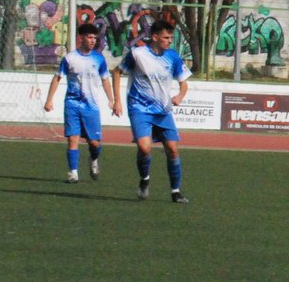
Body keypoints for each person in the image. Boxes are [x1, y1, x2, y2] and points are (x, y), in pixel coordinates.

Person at [112, 19, 191, 203]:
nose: (169, 41)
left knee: (172, 149)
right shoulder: (138, 54)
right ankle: (144, 179)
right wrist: (117, 101)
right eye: (166, 37)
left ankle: (176, 191)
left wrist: (180, 96)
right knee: (144, 147)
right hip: (139, 108)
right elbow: (116, 72)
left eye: (171, 38)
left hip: (163, 110)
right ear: (154, 37)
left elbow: (184, 83)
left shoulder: (173, 57)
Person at [43, 22, 114, 183]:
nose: (93, 40)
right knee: (72, 138)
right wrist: (49, 100)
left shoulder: (99, 58)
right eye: (89, 37)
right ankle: (73, 173)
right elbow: (57, 77)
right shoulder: (70, 58)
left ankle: (93, 159)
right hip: (72, 104)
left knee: (94, 143)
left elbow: (105, 79)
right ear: (81, 38)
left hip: (91, 106)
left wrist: (112, 100)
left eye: (94, 38)